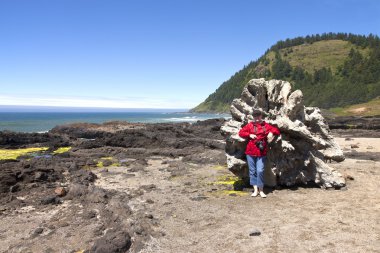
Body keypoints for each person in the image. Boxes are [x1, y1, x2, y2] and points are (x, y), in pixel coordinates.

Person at [238, 110, 281, 198]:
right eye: (255, 116)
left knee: (260, 170)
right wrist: (249, 135)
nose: (257, 118)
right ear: (253, 117)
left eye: (258, 116)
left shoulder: (266, 125)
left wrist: (271, 132)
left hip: (261, 152)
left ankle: (261, 190)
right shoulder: (250, 125)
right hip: (250, 152)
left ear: (261, 116)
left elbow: (277, 130)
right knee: (252, 171)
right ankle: (255, 190)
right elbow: (241, 132)